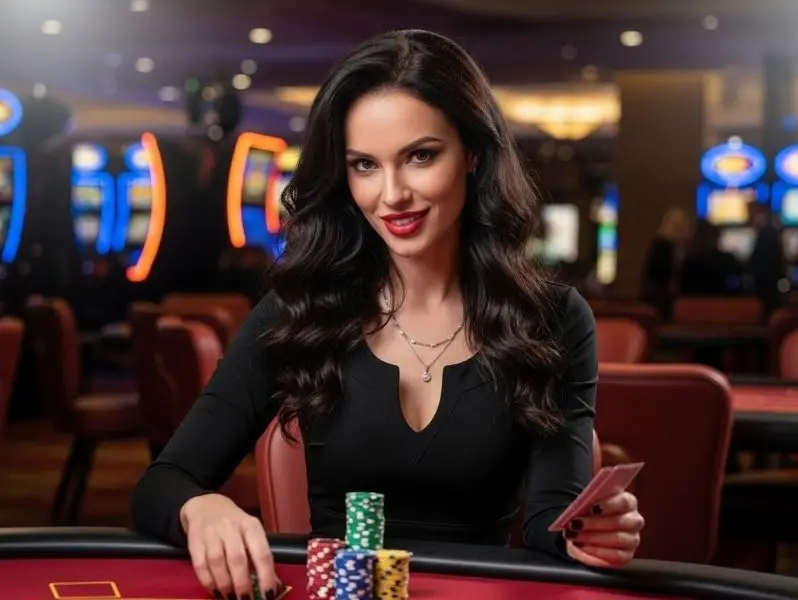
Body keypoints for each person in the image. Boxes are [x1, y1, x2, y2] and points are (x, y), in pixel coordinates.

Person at [131, 29, 644, 600]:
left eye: (420, 156)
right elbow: (161, 484)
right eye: (364, 166)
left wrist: (591, 532)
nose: (392, 194)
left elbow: (552, 529)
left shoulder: (552, 319)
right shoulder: (299, 311)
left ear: (473, 153)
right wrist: (200, 507)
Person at [640, 207, 692, 319]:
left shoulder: (673, 247)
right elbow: (660, 277)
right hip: (661, 303)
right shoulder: (663, 248)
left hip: (663, 302)